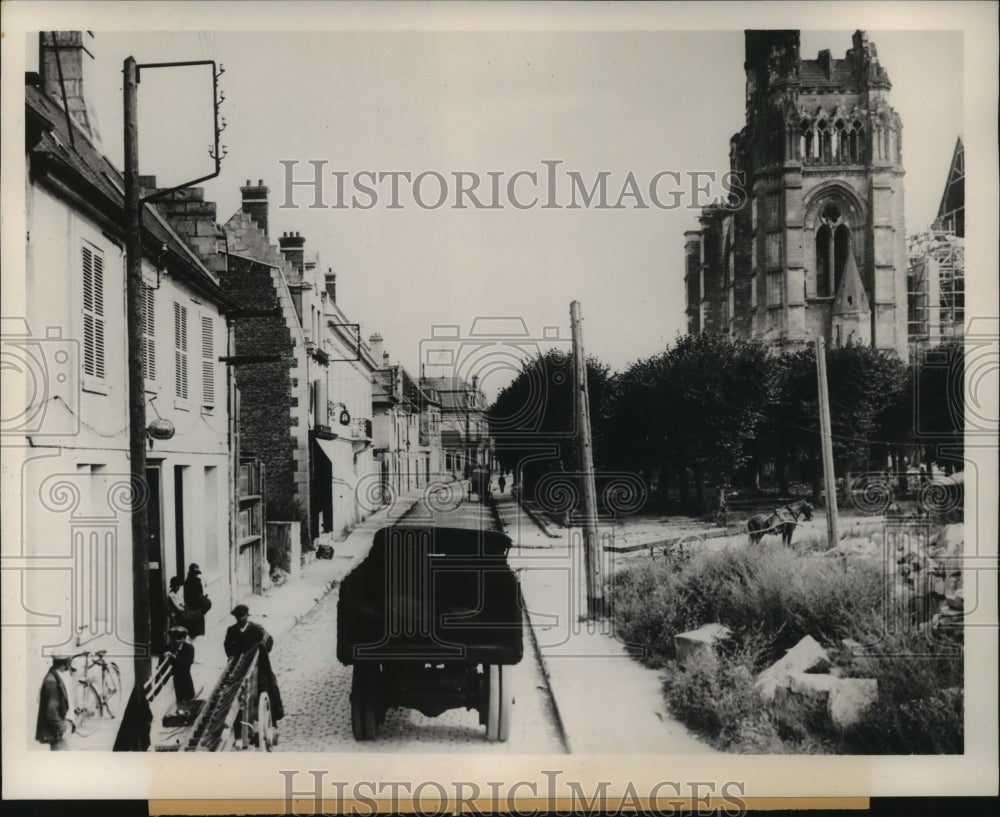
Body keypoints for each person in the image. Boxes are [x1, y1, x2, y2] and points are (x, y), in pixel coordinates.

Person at [224, 605, 284, 725]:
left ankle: (271, 718)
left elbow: (269, 640)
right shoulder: (232, 630)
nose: (241, 620)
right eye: (238, 618)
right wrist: (231, 656)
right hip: (239, 665)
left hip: (258, 664)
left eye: (243, 617)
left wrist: (263, 647)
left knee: (266, 685)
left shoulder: (256, 629)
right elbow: (227, 646)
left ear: (247, 616)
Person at [36, 655, 74, 750]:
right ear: (66, 662)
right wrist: (62, 729)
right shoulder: (51, 680)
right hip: (57, 733)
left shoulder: (54, 675)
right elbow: (51, 711)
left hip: (58, 730)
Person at [166, 626, 196, 703]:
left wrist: (174, 657)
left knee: (186, 700)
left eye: (178, 638)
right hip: (172, 680)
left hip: (185, 679)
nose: (176, 641)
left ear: (184, 638)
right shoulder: (168, 647)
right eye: (173, 638)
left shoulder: (189, 648)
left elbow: (188, 663)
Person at [182, 564, 209, 637]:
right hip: (193, 608)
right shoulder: (187, 583)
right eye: (194, 573)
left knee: (198, 631)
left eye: (196, 573)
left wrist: (203, 598)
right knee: (193, 632)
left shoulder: (197, 581)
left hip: (199, 608)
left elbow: (200, 593)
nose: (195, 574)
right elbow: (187, 598)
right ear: (190, 572)